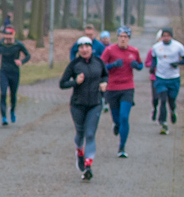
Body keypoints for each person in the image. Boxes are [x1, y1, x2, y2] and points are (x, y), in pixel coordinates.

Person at [60, 35, 107, 180]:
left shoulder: (99, 62)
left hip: (95, 104)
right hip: (78, 105)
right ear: (78, 50)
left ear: (91, 49)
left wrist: (104, 83)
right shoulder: (74, 65)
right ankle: (79, 152)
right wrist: (75, 82)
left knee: (90, 134)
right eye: (81, 47)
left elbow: (105, 75)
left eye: (87, 47)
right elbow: (62, 83)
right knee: (80, 133)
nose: (84, 49)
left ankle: (88, 166)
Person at [101, 26, 143, 158]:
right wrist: (112, 65)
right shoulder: (110, 50)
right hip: (112, 88)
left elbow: (141, 65)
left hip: (127, 87)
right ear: (117, 37)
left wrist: (137, 66)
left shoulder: (134, 51)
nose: (123, 39)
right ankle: (116, 124)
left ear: (129, 38)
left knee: (124, 117)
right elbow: (101, 66)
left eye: (125, 37)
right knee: (117, 118)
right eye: (121, 36)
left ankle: (122, 147)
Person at [148, 27, 184, 135]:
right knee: (162, 100)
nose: (166, 38)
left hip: (174, 77)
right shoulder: (156, 47)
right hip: (161, 77)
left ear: (171, 36)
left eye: (168, 35)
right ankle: (163, 123)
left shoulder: (178, 46)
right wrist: (152, 67)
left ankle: (172, 110)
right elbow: (154, 59)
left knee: (171, 99)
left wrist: (177, 63)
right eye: (164, 36)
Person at [0, 26, 30, 125]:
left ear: (13, 34)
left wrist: (21, 61)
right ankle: (4, 117)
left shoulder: (18, 44)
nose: (8, 36)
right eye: (6, 34)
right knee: (3, 94)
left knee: (13, 94)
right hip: (4, 71)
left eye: (10, 34)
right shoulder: (1, 43)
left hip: (14, 72)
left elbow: (28, 55)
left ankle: (12, 110)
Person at [145, 43, 159, 122]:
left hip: (167, 78)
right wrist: (155, 64)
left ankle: (163, 119)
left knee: (164, 99)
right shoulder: (153, 50)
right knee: (155, 97)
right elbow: (146, 63)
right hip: (155, 77)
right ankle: (154, 108)